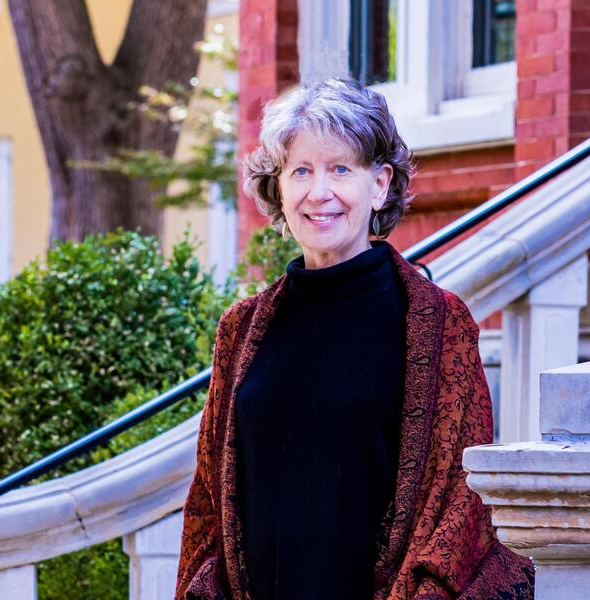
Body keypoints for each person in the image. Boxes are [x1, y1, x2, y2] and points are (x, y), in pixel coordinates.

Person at [174, 79, 534, 600]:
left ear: (381, 183)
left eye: (340, 168)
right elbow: (208, 499)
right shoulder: (242, 328)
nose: (319, 192)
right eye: (301, 170)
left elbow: (458, 503)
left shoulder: (437, 323)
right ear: (279, 187)